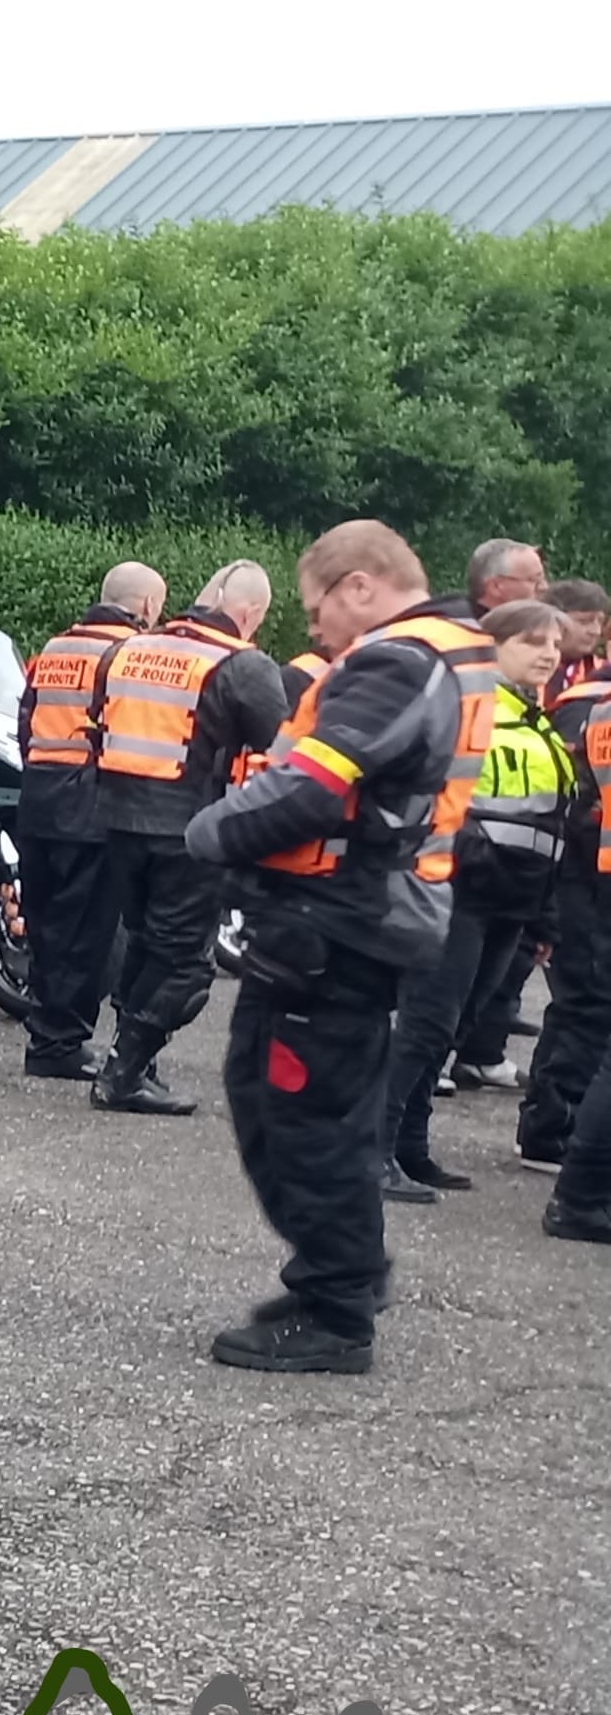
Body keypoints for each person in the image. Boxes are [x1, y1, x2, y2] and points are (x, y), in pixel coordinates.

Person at [183, 522, 496, 1374]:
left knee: (302, 1114)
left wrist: (208, 832)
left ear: (361, 584)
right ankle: (337, 1279)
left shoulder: (396, 661)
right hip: (359, 916)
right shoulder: (454, 653)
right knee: (285, 1100)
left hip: (339, 919)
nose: (314, 627)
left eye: (318, 606)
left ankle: (336, 1309)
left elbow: (314, 787)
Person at [81, 561, 290, 1114]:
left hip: (116, 821)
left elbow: (100, 719)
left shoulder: (126, 649)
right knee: (188, 965)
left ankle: (131, 1063)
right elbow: (279, 744)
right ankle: (123, 1073)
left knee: (144, 943)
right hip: (189, 830)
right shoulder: (242, 664)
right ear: (250, 612)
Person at [377, 602, 573, 1188]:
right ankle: (371, 1149)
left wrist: (543, 919)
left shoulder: (537, 721)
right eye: (533, 641)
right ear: (494, 644)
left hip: (510, 900)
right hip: (455, 889)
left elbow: (548, 826)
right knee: (426, 1025)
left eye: (554, 643)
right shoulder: (466, 707)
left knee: (453, 1027)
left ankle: (409, 1147)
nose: (548, 654)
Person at [16, 562, 166, 1078]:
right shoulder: (133, 653)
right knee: (87, 933)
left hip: (38, 797)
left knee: (46, 927)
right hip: (92, 802)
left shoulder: (55, 648)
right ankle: (59, 1044)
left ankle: (45, 1037)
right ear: (147, 605)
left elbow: (25, 721)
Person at [517, 584, 611, 1174]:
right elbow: (573, 799)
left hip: (583, 871)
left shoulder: (587, 699)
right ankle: (552, 1128)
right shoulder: (587, 703)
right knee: (588, 1005)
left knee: (585, 1004)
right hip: (584, 876)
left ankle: (554, 1126)